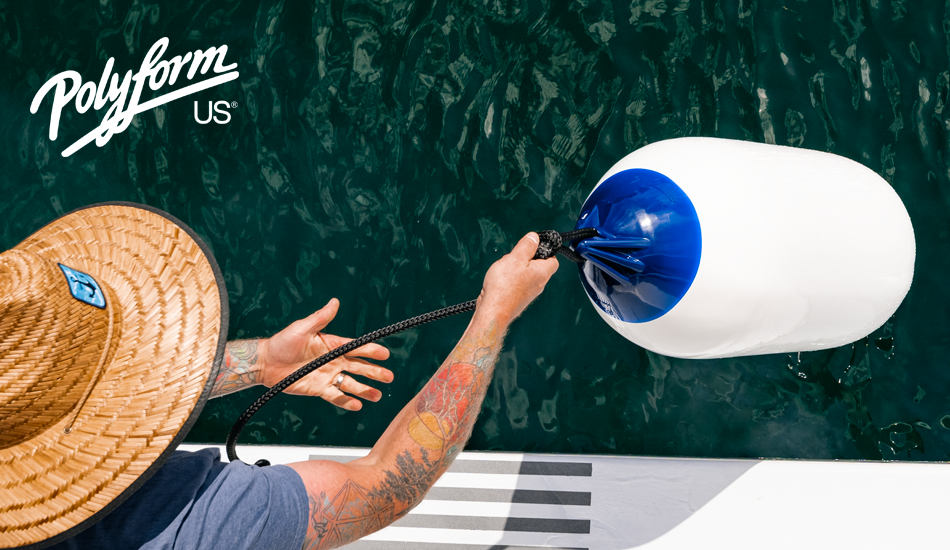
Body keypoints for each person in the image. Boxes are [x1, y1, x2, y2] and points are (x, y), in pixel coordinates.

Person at [0, 202, 557, 550]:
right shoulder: (193, 522)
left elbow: (98, 405)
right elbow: (387, 483)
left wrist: (262, 361)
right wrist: (493, 315)